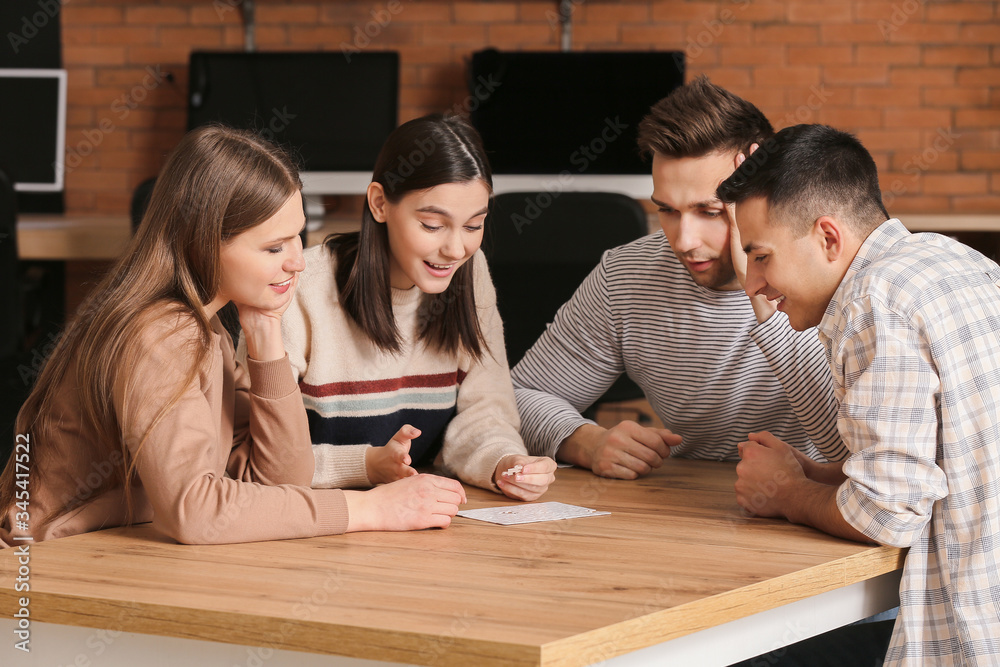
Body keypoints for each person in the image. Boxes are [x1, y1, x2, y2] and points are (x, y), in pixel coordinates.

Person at [0, 125, 467, 547]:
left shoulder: (206, 332)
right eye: (273, 247)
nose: (298, 262)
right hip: (44, 567)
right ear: (204, 242)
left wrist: (265, 333)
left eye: (297, 239)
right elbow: (195, 513)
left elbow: (282, 480)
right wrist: (367, 510)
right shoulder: (161, 333)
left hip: (105, 551)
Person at [718, 123, 1000, 666]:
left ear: (828, 237)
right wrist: (815, 476)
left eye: (760, 256)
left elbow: (886, 515)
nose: (751, 283)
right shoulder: (956, 261)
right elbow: (941, 467)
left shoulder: (874, 300)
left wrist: (786, 495)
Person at [511, 76, 847, 478]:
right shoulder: (627, 276)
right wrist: (586, 440)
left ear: (763, 187)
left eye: (709, 211)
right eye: (668, 210)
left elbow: (850, 445)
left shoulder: (831, 272)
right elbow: (517, 397)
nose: (684, 241)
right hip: (689, 505)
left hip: (819, 505)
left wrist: (761, 298)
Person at [271, 114, 556, 500]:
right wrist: (366, 464)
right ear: (379, 204)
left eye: (473, 226)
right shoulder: (302, 286)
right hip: (304, 520)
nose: (456, 250)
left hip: (411, 517)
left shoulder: (471, 276)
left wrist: (505, 462)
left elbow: (484, 411)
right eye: (432, 225)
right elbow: (257, 455)